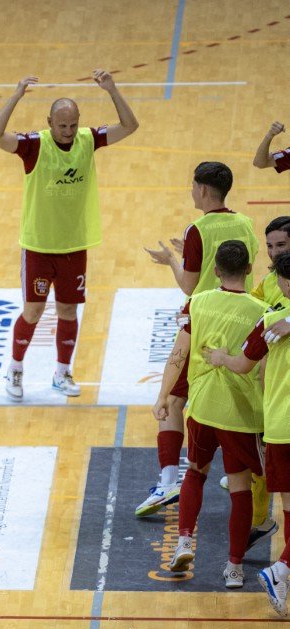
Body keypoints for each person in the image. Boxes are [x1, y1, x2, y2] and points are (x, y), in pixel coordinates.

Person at [0, 70, 139, 400]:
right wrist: (15, 95)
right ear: (50, 122)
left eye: (72, 125)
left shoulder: (88, 139)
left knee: (68, 312)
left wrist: (112, 90)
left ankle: (62, 372)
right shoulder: (33, 146)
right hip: (39, 246)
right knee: (33, 312)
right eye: (62, 126)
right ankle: (14, 368)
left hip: (74, 245)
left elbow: (129, 126)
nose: (68, 132)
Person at [138, 161, 258, 517]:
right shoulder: (245, 224)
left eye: (193, 186)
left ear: (204, 190)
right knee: (240, 407)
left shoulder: (197, 229)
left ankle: (169, 481)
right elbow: (238, 264)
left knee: (172, 402)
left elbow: (189, 285)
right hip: (240, 322)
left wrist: (171, 260)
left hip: (203, 324)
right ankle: (249, 476)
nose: (191, 191)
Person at [152, 241, 266, 588]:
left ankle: (184, 541)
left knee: (195, 474)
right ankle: (234, 568)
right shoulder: (262, 311)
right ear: (249, 270)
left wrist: (163, 397)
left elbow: (178, 355)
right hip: (240, 414)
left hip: (202, 407)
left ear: (215, 270)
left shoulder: (197, 303)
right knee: (240, 489)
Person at [206, 251, 290, 616]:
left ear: (283, 284)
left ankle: (282, 573)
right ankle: (282, 570)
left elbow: (242, 365)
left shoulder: (269, 321)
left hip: (278, 429)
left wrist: (220, 359)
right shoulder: (276, 320)